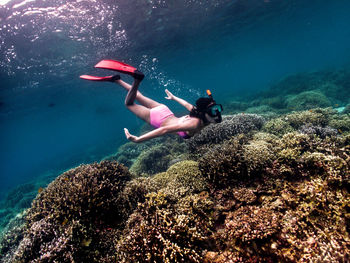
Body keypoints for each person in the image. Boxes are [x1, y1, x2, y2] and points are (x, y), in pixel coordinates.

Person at [80, 59, 223, 143]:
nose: (217, 113)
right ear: (204, 112)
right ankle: (136, 79)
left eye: (217, 109)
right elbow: (164, 129)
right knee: (129, 104)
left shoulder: (197, 113)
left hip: (164, 110)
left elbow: (186, 104)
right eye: (213, 110)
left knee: (139, 96)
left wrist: (173, 98)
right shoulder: (195, 122)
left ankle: (117, 80)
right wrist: (138, 140)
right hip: (158, 119)